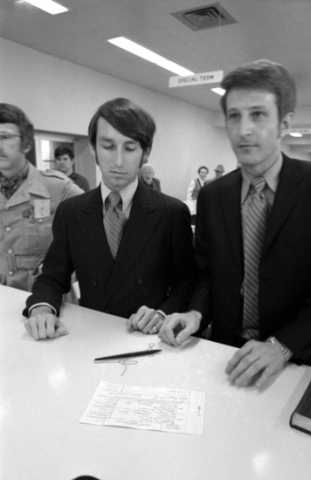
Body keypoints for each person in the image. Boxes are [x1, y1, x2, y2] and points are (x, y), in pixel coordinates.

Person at [160, 59, 311, 390]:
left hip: (296, 361)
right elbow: (208, 275)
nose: (244, 129)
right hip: (222, 355)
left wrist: (281, 346)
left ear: (285, 123)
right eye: (234, 116)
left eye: (258, 114)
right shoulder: (213, 196)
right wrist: (195, 314)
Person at [24, 97, 195, 340]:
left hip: (149, 341)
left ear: (145, 153)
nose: (118, 161)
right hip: (89, 336)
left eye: (130, 147)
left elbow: (187, 281)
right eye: (108, 146)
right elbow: (53, 275)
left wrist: (163, 312)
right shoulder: (71, 211)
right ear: (93, 149)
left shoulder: (171, 213)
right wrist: (41, 306)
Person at [0, 103, 82, 291]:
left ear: (27, 144)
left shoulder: (59, 189)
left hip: (46, 303)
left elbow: (95, 237)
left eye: (4, 137)